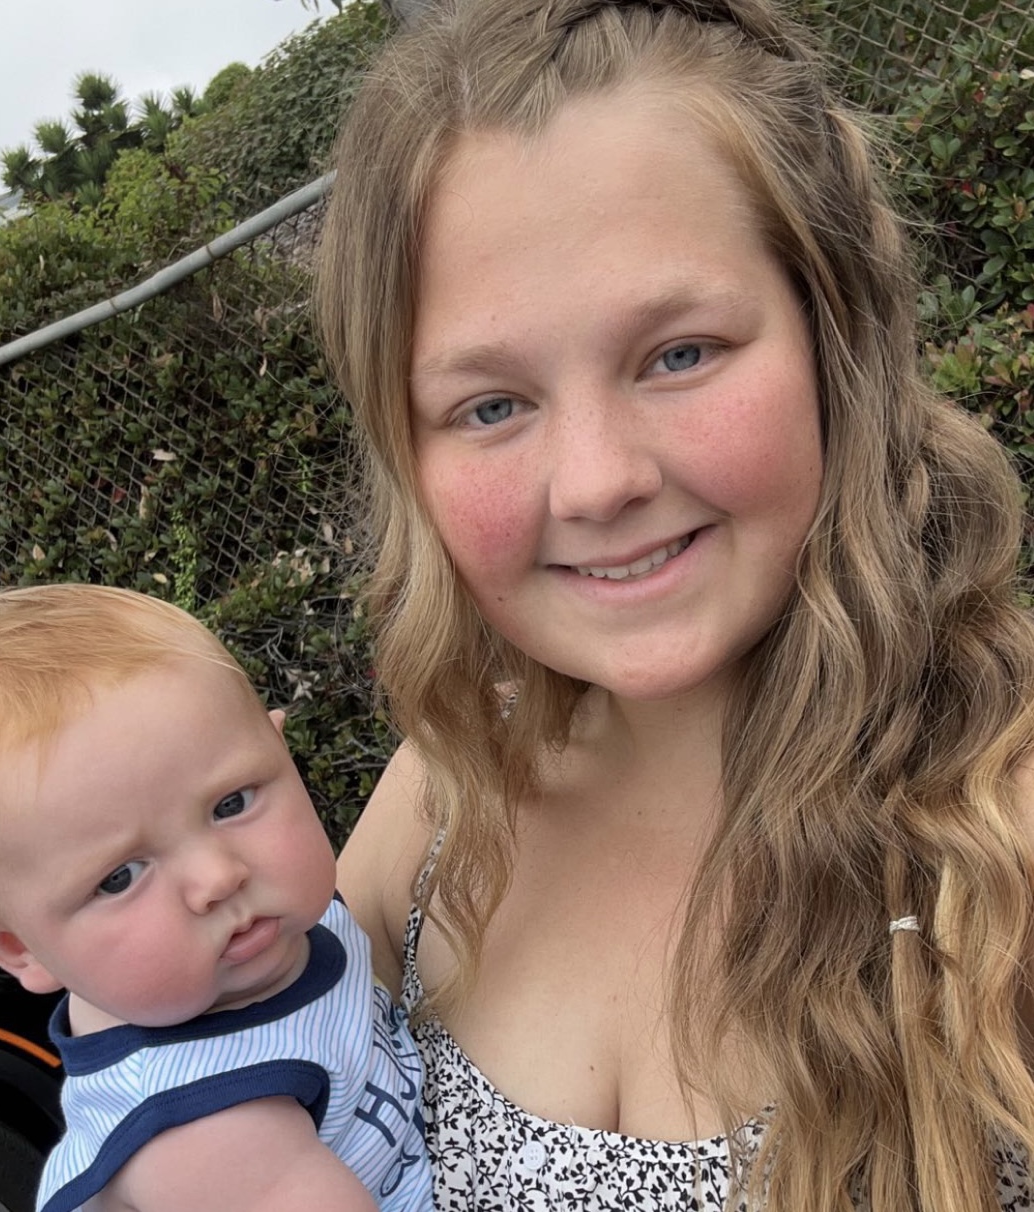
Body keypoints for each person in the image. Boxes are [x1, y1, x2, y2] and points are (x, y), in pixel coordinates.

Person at [314, 1, 1034, 1209]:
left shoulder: (999, 836)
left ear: (833, 335)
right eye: (489, 406)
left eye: (678, 353)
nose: (596, 481)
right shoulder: (441, 799)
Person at [0, 584, 431, 1212]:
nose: (218, 877)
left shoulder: (267, 932)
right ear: (20, 947)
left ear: (282, 753)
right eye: (120, 878)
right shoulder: (203, 1133)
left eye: (231, 804)